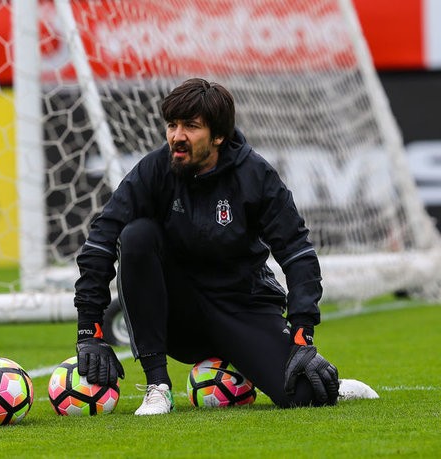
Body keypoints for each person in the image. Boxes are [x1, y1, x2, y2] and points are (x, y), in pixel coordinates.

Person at [73, 78, 376, 415]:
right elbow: (100, 239)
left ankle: (331, 385)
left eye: (191, 126)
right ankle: (158, 386)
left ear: (218, 136)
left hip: (240, 304)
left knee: (302, 395)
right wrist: (90, 329)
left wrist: (303, 331)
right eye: (172, 125)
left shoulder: (255, 175)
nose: (177, 136)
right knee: (136, 235)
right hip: (178, 313)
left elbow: (296, 251)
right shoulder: (154, 169)